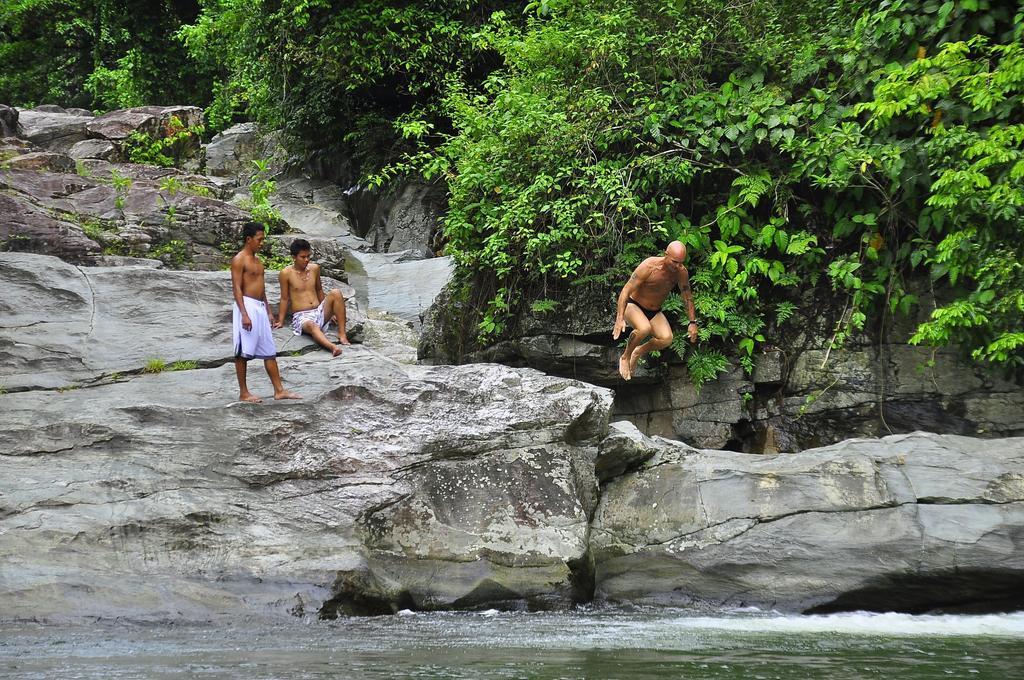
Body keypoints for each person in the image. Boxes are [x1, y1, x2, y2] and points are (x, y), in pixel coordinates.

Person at [230, 221, 301, 403]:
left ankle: (279, 390)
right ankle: (244, 392)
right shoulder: (239, 259)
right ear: (248, 239)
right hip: (246, 306)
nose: (262, 243)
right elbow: (237, 289)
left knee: (269, 350)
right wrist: (244, 314)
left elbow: (261, 289)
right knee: (242, 353)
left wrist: (268, 311)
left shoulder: (258, 261)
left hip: (260, 308)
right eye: (259, 239)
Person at [612, 240, 698, 380]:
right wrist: (619, 318)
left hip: (654, 311)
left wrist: (692, 322)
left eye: (681, 262)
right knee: (644, 328)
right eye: (674, 262)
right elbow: (626, 290)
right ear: (666, 255)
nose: (678, 266)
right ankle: (625, 357)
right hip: (633, 305)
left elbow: (687, 296)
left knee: (666, 339)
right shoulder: (649, 266)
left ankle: (638, 352)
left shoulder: (681, 272)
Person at [276, 238, 350, 356]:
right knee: (312, 326)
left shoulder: (315, 268)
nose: (306, 259)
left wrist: (330, 311)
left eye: (308, 256)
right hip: (302, 317)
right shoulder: (286, 273)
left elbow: (319, 290)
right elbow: (284, 298)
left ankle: (342, 334)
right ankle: (333, 347)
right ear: (294, 257)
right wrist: (280, 321)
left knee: (336, 292)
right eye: (303, 257)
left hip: (318, 310)